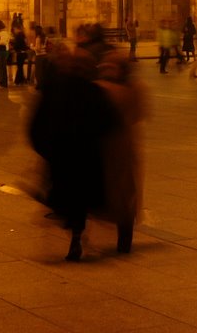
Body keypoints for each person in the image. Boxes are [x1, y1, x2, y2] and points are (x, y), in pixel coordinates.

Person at [28, 25, 122, 262]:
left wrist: (46, 150)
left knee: (66, 197)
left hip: (61, 157)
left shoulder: (54, 90)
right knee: (82, 199)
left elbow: (36, 124)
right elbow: (110, 121)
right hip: (86, 157)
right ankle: (77, 235)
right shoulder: (94, 92)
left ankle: (74, 231)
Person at [93, 39, 146, 254]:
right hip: (116, 146)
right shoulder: (132, 89)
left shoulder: (104, 89)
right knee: (119, 192)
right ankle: (121, 234)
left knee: (123, 194)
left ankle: (123, 237)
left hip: (118, 147)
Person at [0, 20, 11, 87]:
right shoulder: (0, 33)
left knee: (2, 67)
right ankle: (0, 82)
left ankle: (3, 83)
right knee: (0, 67)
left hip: (2, 51)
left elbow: (3, 42)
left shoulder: (3, 33)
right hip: (0, 51)